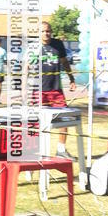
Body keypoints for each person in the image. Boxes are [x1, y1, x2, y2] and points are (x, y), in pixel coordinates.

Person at [36, 21, 77, 157]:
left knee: (64, 118)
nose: (45, 33)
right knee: (36, 122)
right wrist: (24, 88)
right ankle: (35, 152)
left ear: (51, 32)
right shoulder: (34, 47)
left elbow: (65, 62)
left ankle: (61, 149)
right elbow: (26, 67)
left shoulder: (58, 44)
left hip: (56, 89)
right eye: (42, 31)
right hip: (39, 90)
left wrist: (71, 78)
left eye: (48, 31)